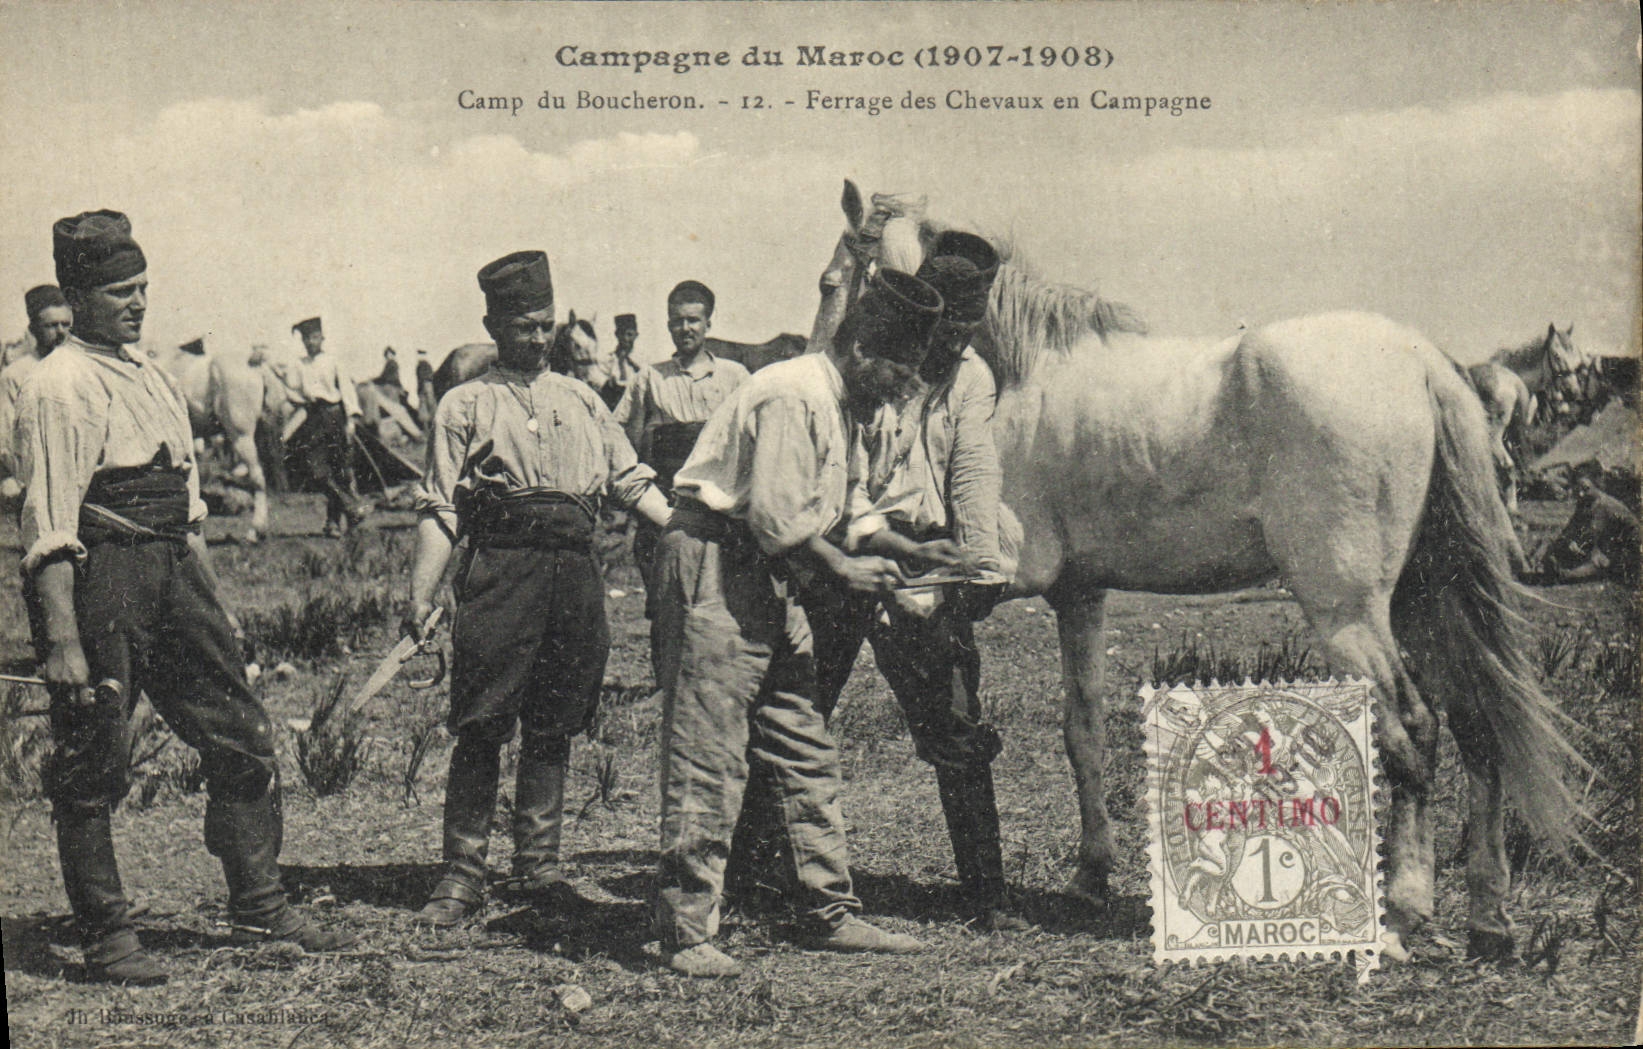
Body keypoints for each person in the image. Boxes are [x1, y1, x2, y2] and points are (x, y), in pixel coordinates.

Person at [13, 210, 352, 985]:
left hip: (172, 573)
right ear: (77, 293)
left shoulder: (152, 373)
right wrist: (62, 641)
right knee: (94, 753)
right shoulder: (57, 383)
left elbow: (189, 508)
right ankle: (106, 936)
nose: (137, 303)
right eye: (118, 291)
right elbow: (51, 525)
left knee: (241, 730)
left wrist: (214, 602)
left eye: (143, 288)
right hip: (103, 580)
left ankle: (259, 898)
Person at [651, 268, 945, 978]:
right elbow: (779, 520)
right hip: (715, 562)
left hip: (764, 573)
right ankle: (685, 931)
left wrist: (905, 547)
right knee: (710, 749)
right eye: (900, 368)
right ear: (864, 347)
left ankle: (828, 910)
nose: (906, 385)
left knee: (803, 739)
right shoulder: (793, 391)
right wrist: (845, 570)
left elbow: (845, 503)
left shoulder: (842, 401)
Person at [730, 232, 1024, 930]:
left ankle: (985, 892)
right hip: (843, 544)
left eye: (967, 326)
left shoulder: (972, 377)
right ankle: (752, 878)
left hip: (916, 551)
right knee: (798, 708)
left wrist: (976, 557)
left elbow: (973, 466)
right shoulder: (872, 361)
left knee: (954, 720)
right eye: (944, 325)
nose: (954, 340)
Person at [404, 250, 672, 927]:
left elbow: (631, 480)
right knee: (482, 720)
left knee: (555, 719)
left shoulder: (582, 398)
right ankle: (462, 873)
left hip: (574, 574)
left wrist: (688, 531)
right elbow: (440, 506)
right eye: (523, 324)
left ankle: (540, 867)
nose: (537, 337)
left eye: (545, 324)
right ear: (493, 323)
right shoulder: (465, 404)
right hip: (501, 570)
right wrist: (422, 592)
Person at [613, 282, 749, 618]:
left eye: (693, 320)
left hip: (721, 505)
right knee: (667, 606)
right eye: (677, 321)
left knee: (718, 607)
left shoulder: (735, 377)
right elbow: (617, 434)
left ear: (708, 324)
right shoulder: (649, 378)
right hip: (667, 506)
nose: (685, 328)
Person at [285, 316, 366, 536]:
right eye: (306, 339)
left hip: (335, 415)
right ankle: (350, 506)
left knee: (339, 470)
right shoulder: (298, 364)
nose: (311, 343)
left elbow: (347, 390)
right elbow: (289, 390)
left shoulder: (333, 360)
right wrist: (299, 399)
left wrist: (351, 420)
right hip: (312, 418)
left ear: (322, 338)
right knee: (316, 470)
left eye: (314, 337)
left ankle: (333, 523)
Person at [2, 284, 74, 487]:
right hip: (34, 482)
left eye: (65, 324)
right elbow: (6, 439)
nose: (60, 332)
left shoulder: (80, 371)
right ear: (33, 328)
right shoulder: (16, 375)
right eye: (51, 326)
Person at [1541, 463, 1640, 584]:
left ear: (1597, 485)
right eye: (1578, 490)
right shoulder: (1585, 501)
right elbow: (1571, 528)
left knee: (1596, 560)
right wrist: (1558, 543)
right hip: (1609, 545)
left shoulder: (1604, 505)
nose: (1581, 493)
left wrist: (1574, 544)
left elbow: (1593, 537)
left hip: (1631, 550)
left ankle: (1568, 575)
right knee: (1558, 547)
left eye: (1586, 488)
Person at [602, 313, 641, 410]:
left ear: (636, 335)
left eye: (629, 334)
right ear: (616, 334)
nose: (625, 338)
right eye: (621, 334)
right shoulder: (608, 361)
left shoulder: (643, 360)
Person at [415, 349, 437, 430]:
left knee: (427, 405)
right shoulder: (426, 365)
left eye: (420, 355)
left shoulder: (423, 365)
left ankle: (429, 426)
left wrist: (421, 389)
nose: (419, 357)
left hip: (425, 386)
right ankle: (430, 426)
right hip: (427, 386)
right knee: (428, 405)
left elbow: (424, 378)